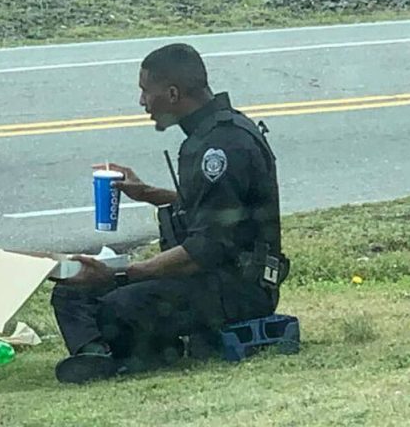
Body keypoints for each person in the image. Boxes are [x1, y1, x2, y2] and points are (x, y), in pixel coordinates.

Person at [50, 43, 289, 384]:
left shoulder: (221, 146)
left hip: (238, 286)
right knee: (72, 290)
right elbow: (216, 208)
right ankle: (96, 355)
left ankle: (136, 353)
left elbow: (204, 250)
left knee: (118, 305)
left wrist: (121, 274)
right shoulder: (209, 135)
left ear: (173, 93)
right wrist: (147, 193)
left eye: (146, 91)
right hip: (208, 277)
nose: (142, 102)